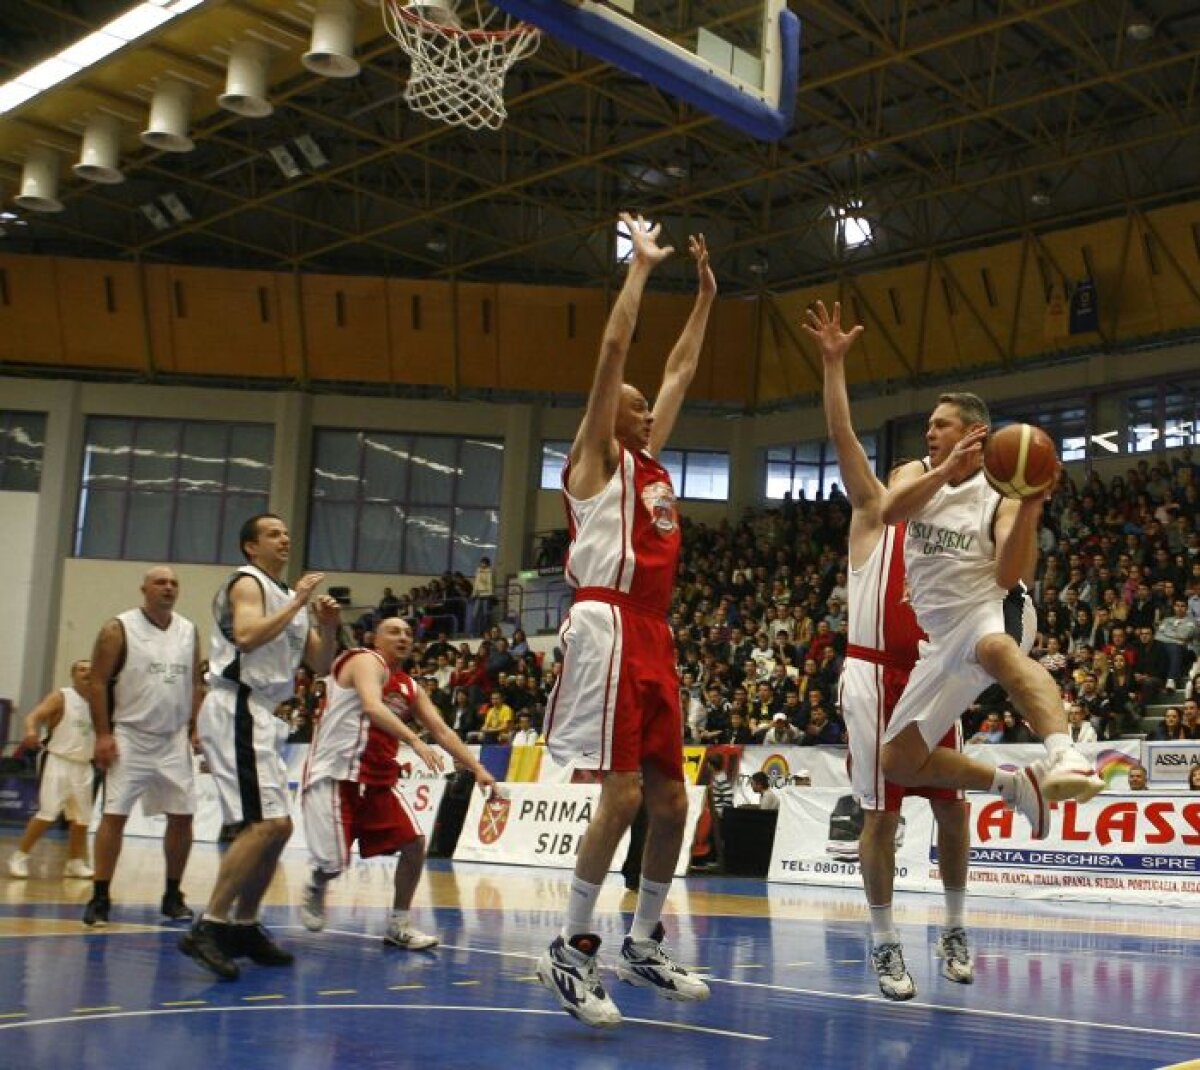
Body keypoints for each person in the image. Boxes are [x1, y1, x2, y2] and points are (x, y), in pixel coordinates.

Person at [537, 213, 716, 1029]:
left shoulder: (648, 462)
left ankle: (642, 941)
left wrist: (708, 295)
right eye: (635, 408)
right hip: (605, 625)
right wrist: (640, 270)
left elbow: (676, 370)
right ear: (612, 416)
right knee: (618, 793)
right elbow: (616, 358)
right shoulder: (594, 460)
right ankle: (571, 951)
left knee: (672, 802)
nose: (647, 413)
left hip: (653, 631)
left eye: (647, 411)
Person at [810, 299, 975, 1002]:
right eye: (907, 461)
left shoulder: (954, 524)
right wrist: (834, 363)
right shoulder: (873, 510)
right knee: (882, 815)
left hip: (933, 676)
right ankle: (883, 943)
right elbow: (842, 428)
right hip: (875, 677)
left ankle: (956, 926)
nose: (913, 463)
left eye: (928, 448)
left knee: (953, 808)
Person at [876, 388, 1106, 837]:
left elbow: (1007, 575)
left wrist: (1031, 506)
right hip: (941, 637)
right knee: (897, 762)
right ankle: (1015, 785)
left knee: (996, 649)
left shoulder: (1001, 494)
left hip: (992, 607)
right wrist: (944, 470)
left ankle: (1067, 754)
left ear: (975, 433)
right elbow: (889, 511)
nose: (930, 432)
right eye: (929, 425)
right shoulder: (915, 471)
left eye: (942, 424)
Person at [180, 514, 341, 981]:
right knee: (263, 825)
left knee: (279, 827)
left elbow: (322, 662)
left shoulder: (285, 596)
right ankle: (208, 926)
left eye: (287, 531)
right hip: (236, 705)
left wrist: (327, 625)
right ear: (251, 547)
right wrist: (298, 603)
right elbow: (247, 636)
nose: (285, 537)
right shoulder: (248, 584)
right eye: (273, 533)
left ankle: (244, 925)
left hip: (265, 714)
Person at [299, 618, 496, 947]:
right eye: (393, 631)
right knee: (333, 863)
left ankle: (399, 923)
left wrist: (478, 768)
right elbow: (373, 707)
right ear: (375, 638)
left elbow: (442, 730)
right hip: (335, 775)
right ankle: (317, 884)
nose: (403, 637)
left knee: (415, 844)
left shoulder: (409, 686)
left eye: (408, 633)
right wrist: (415, 742)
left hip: (377, 779)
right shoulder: (364, 660)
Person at [83, 567, 203, 927]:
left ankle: (172, 893)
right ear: (144, 589)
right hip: (131, 735)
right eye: (160, 582)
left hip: (172, 737)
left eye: (174, 583)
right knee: (115, 814)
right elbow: (98, 682)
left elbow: (196, 683)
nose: (168, 588)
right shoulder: (118, 628)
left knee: (183, 816)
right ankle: (100, 896)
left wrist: (197, 728)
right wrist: (103, 734)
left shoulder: (188, 630)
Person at [8, 660, 95, 880]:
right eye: (82, 669)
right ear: (73, 675)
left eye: (91, 670)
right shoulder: (62, 696)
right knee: (47, 813)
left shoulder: (100, 700)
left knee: (81, 818)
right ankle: (19, 856)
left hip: (84, 764)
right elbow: (33, 716)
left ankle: (74, 862)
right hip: (58, 759)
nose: (87, 673)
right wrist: (30, 731)